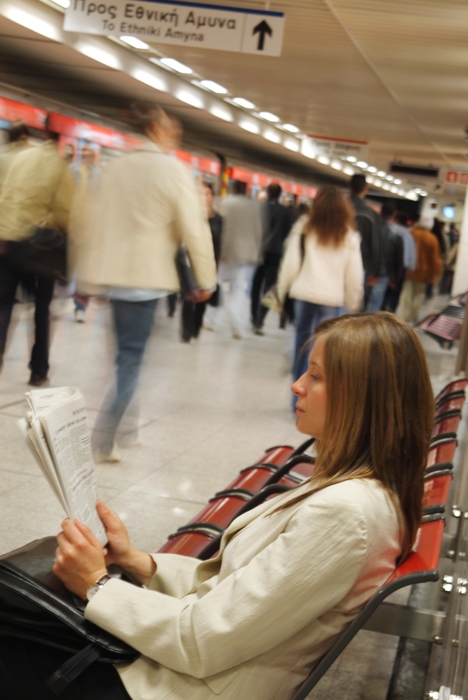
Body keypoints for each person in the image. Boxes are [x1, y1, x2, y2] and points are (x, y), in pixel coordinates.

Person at [0, 313, 435, 700]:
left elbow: (203, 642)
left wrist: (96, 584)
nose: (297, 384)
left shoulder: (346, 514)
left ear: (362, 398)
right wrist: (137, 561)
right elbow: (236, 583)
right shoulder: (356, 492)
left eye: (316, 377)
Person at [73, 103, 216, 463]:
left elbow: (91, 223)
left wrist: (85, 277)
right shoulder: (173, 170)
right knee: (130, 360)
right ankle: (104, 440)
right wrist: (206, 279)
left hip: (114, 277)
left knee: (123, 357)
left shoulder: (115, 167)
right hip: (146, 281)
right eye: (171, 132)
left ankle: (126, 429)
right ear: (156, 128)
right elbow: (194, 230)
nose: (173, 138)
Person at [0, 117, 75, 384]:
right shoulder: (59, 167)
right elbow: (66, 213)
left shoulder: (21, 158)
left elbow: (6, 197)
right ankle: (38, 369)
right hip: (40, 249)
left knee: (4, 305)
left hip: (9, 243)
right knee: (42, 309)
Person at [277, 185, 363, 396]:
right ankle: (314, 396)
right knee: (322, 352)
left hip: (304, 295)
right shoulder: (348, 235)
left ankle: (296, 398)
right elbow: (354, 275)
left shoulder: (305, 227)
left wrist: (281, 293)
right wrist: (353, 303)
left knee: (302, 346)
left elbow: (290, 264)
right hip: (330, 300)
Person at [219, 180, 262, 339]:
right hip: (247, 255)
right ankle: (237, 325)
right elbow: (258, 231)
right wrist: (256, 253)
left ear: (232, 189)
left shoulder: (227, 203)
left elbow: (225, 229)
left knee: (222, 286)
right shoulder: (254, 206)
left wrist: (222, 251)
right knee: (238, 290)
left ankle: (213, 321)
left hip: (228, 253)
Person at [250, 182, 295, 335]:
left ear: (268, 192)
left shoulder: (258, 209)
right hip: (277, 255)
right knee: (270, 288)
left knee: (256, 285)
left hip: (259, 252)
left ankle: (252, 316)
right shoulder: (287, 213)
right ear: (280, 195)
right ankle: (260, 319)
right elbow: (290, 237)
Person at [181, 182, 223, 342]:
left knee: (203, 297)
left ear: (212, 197)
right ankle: (186, 329)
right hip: (191, 262)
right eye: (202, 193)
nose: (205, 197)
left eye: (208, 194)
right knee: (188, 295)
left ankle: (196, 327)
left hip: (209, 263)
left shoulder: (218, 219)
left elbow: (220, 244)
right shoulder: (191, 217)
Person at [69, 143, 102, 323]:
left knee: (83, 272)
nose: (86, 154)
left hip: (89, 230)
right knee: (65, 268)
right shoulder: (71, 170)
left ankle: (80, 306)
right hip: (70, 226)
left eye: (90, 152)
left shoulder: (99, 176)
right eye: (84, 151)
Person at [396, 216, 442, 323]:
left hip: (409, 270)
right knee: (419, 295)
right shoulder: (432, 239)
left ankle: (405, 316)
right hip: (424, 273)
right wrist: (435, 273)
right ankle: (414, 316)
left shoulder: (411, 233)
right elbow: (435, 259)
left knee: (407, 293)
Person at [348, 174, 381, 308]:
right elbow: (375, 244)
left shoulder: (337, 210)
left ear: (349, 187)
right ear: (366, 189)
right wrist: (375, 271)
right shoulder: (370, 214)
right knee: (356, 304)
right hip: (362, 265)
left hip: (337, 263)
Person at [383, 209, 416, 313]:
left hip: (387, 268)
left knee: (383, 297)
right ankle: (390, 317)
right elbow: (412, 258)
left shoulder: (389, 231)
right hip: (400, 271)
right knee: (395, 297)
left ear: (395, 219)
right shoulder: (409, 236)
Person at [378, 202, 404, 312]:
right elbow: (399, 259)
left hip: (369, 272)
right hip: (386, 274)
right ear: (394, 214)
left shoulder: (373, 228)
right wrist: (395, 279)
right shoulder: (397, 235)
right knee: (379, 305)